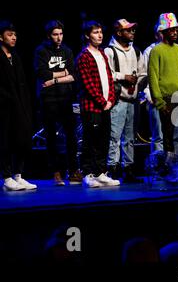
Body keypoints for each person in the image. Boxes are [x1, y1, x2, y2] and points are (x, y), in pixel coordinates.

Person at [34, 20, 82, 186]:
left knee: (71, 136)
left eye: (61, 34)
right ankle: (56, 172)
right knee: (52, 138)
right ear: (49, 35)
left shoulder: (67, 51)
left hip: (66, 98)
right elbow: (42, 73)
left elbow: (74, 75)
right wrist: (64, 73)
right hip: (48, 100)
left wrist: (54, 79)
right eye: (55, 34)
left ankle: (73, 170)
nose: (59, 38)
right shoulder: (41, 51)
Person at [76, 21, 120, 187]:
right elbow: (88, 85)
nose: (100, 35)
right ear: (88, 35)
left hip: (105, 106)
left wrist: (110, 100)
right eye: (95, 32)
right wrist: (102, 102)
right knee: (90, 141)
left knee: (104, 140)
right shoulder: (84, 57)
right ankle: (88, 173)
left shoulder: (102, 54)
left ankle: (101, 172)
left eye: (101, 32)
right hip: (92, 107)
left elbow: (109, 78)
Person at [148, 13, 178, 158]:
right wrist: (159, 102)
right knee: (168, 134)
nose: (175, 32)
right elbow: (153, 77)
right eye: (171, 30)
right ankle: (170, 165)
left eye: (176, 29)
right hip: (167, 98)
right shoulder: (156, 51)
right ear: (163, 31)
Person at [104, 19, 146, 183]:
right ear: (119, 32)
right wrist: (124, 77)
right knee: (114, 136)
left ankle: (128, 169)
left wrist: (138, 82)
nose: (132, 33)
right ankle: (112, 168)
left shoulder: (136, 51)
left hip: (132, 99)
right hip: (118, 100)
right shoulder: (109, 51)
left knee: (129, 137)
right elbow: (107, 74)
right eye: (128, 30)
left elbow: (143, 72)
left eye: (133, 30)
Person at [0, 20, 37, 191]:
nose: (13, 38)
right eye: (9, 35)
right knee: (6, 141)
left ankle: (18, 175)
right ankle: (7, 177)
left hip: (20, 105)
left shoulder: (16, 57)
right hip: (5, 107)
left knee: (21, 140)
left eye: (15, 35)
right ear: (1, 37)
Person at [142, 24, 164, 153]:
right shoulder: (149, 51)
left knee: (175, 136)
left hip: (173, 98)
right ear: (156, 35)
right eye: (161, 32)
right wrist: (149, 94)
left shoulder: (176, 49)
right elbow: (145, 75)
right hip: (156, 98)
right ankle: (159, 167)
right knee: (158, 136)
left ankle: (174, 166)